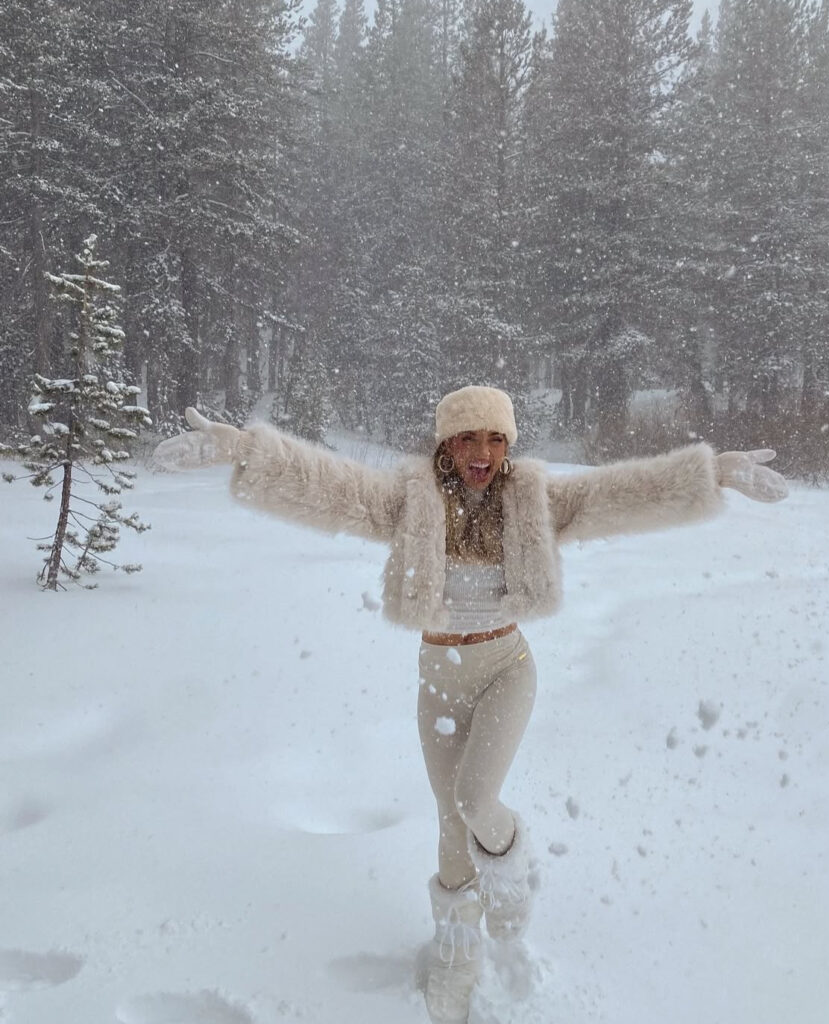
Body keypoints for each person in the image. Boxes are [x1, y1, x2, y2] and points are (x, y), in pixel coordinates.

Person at [153, 386, 788, 1024]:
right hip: (439, 678)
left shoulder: (534, 500)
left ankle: (508, 878)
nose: (481, 452)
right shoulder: (410, 502)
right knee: (450, 822)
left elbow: (616, 495)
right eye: (466, 438)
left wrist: (707, 472)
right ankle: (458, 953)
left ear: (508, 445)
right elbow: (329, 486)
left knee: (475, 799)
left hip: (506, 666)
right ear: (446, 444)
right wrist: (245, 452)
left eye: (494, 438)